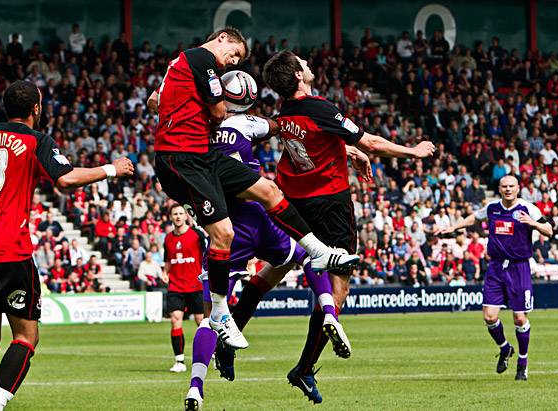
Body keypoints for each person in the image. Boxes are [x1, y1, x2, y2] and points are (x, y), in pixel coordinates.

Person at [147, 28, 356, 350]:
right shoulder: (202, 59)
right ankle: (219, 313)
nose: (232, 63)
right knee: (224, 235)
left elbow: (153, 101)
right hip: (182, 159)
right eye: (234, 55)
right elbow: (218, 112)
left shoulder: (178, 66)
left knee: (269, 191)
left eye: (236, 61)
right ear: (223, 39)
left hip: (203, 154)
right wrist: (224, 113)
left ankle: (318, 251)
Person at [0, 80, 134, 411]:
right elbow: (65, 179)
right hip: (10, 253)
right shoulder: (35, 140)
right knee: (26, 337)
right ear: (36, 109)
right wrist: (111, 169)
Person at [261, 50, 435, 402]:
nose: (309, 65)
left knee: (278, 267)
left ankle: (229, 319)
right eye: (303, 64)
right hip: (331, 204)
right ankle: (304, 367)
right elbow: (370, 141)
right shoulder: (320, 108)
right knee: (339, 291)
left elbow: (310, 140)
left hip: (295, 202)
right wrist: (412, 151)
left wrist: (345, 151)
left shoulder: (285, 114)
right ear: (297, 76)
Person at [184, 72, 350, 410]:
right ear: (247, 99)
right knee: (306, 253)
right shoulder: (248, 125)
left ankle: (196, 387)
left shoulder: (195, 134)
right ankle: (330, 312)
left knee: (209, 315)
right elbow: (281, 127)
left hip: (225, 228)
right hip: (260, 215)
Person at [436, 175, 553, 381]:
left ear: (518, 188)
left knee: (519, 318)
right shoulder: (492, 208)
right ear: (499, 189)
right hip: (496, 267)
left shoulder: (528, 208)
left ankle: (523, 363)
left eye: (511, 186)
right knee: (489, 316)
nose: (508, 189)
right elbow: (475, 218)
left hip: (519, 267)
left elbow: (549, 230)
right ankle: (505, 348)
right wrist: (454, 228)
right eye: (504, 186)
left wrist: (532, 223)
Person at [163, 204, 206, 373]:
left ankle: (211, 353)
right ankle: (179, 361)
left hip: (196, 285)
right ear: (171, 217)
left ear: (186, 216)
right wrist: (165, 272)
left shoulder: (197, 235)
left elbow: (207, 255)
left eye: (181, 213)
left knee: (201, 323)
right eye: (175, 214)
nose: (178, 216)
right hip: (176, 286)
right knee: (175, 320)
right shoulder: (167, 238)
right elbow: (168, 260)